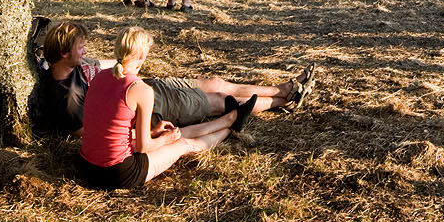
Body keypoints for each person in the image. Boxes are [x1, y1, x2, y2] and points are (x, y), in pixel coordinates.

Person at [29, 21, 313, 138]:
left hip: (146, 86)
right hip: (148, 106)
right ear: (65, 52)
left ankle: (284, 88)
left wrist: (124, 66)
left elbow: (104, 67)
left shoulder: (69, 67)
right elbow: (93, 135)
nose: (86, 50)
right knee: (220, 101)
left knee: (215, 82)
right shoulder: (66, 97)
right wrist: (149, 133)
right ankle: (283, 101)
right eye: (81, 47)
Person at [75, 27, 244, 191]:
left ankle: (227, 121)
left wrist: (154, 133)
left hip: (86, 167)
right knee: (183, 144)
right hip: (118, 172)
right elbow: (143, 148)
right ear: (141, 56)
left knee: (174, 134)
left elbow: (109, 129)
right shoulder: (140, 89)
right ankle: (229, 128)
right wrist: (165, 140)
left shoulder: (98, 77)